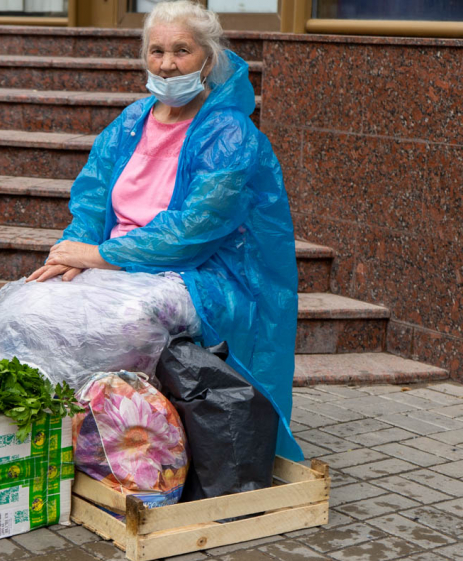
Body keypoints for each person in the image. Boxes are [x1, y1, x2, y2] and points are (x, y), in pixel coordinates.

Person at [21, 0, 303, 462]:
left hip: (205, 274)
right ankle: (70, 436)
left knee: (128, 322)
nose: (168, 65)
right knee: (32, 303)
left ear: (208, 60)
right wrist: (68, 253)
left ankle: (137, 442)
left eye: (182, 51)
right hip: (124, 261)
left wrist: (95, 257)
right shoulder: (130, 123)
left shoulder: (230, 134)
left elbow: (193, 230)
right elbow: (92, 200)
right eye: (156, 51)